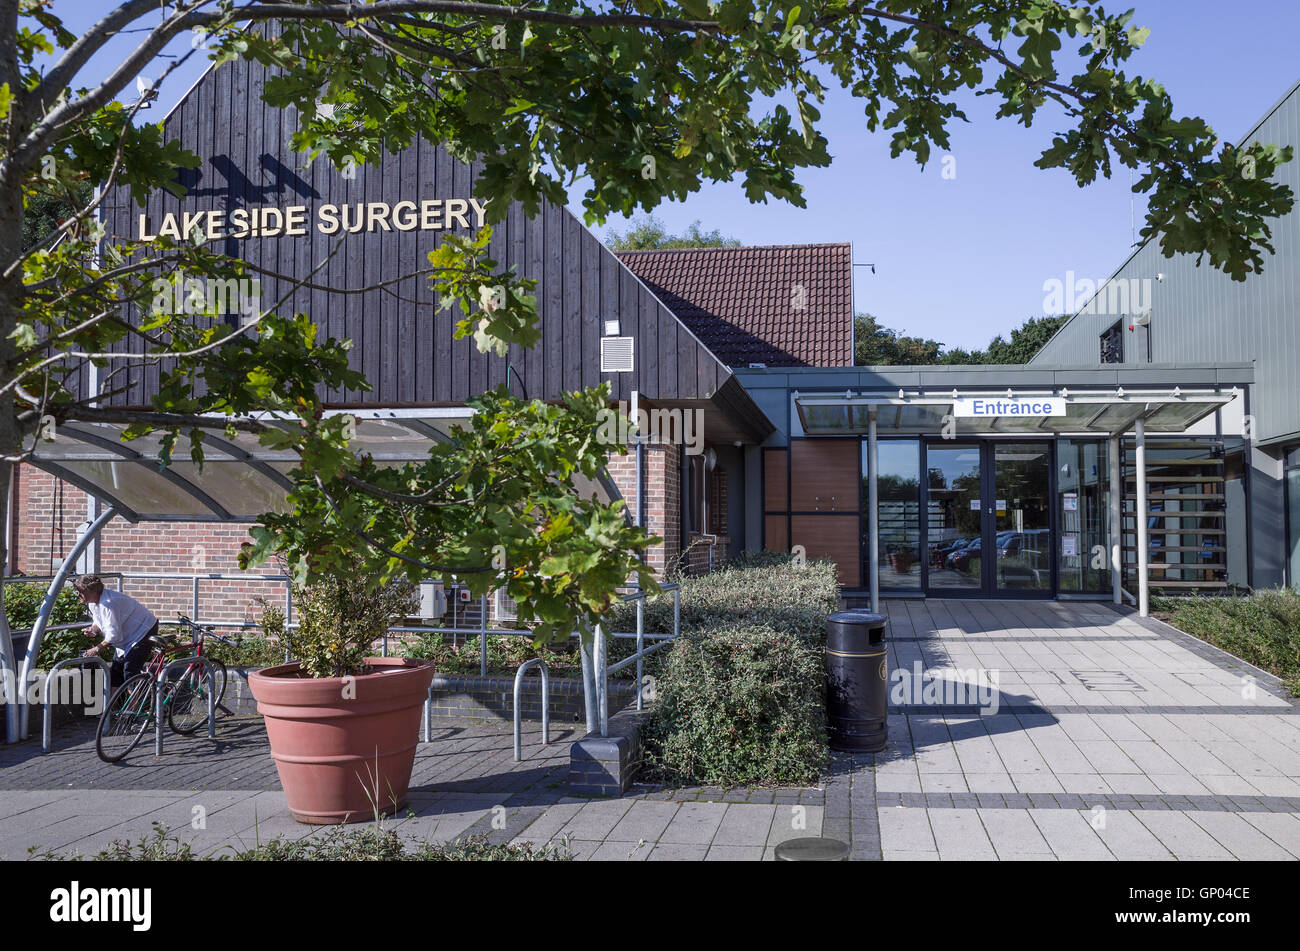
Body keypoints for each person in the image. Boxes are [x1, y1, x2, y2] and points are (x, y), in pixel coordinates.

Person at [75, 575, 159, 688]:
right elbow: (99, 622)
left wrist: (96, 649)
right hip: (126, 636)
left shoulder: (109, 603)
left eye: (81, 592)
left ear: (93, 591)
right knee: (115, 672)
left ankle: (134, 705)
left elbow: (114, 635)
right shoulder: (93, 602)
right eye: (77, 591)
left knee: (130, 671)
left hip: (143, 630)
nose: (78, 595)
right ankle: (112, 705)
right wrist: (93, 630)